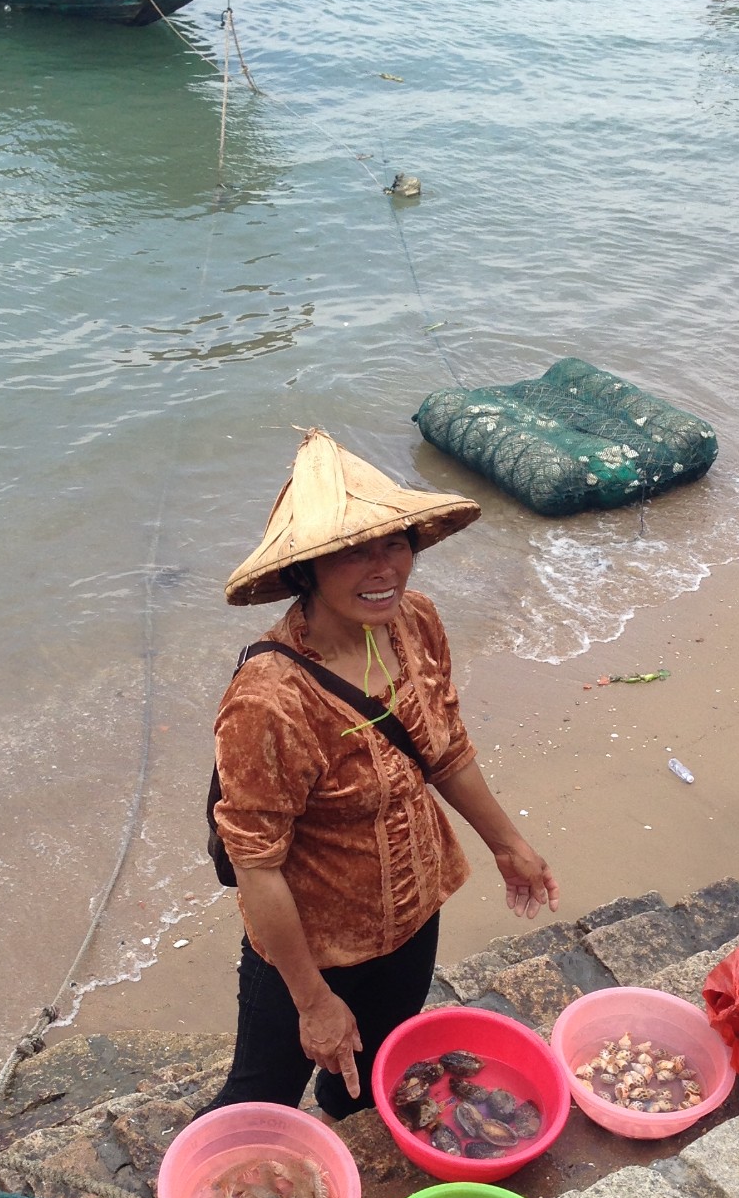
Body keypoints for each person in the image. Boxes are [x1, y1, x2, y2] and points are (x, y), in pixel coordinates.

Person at [205, 429, 558, 1117]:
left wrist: (509, 846)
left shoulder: (415, 623)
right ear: (305, 570)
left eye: (394, 543)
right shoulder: (270, 698)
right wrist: (312, 1001)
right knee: (262, 1097)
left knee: (367, 1079)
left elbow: (445, 749)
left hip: (412, 911)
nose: (382, 568)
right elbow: (257, 863)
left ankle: (353, 1155)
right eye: (351, 550)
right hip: (312, 941)